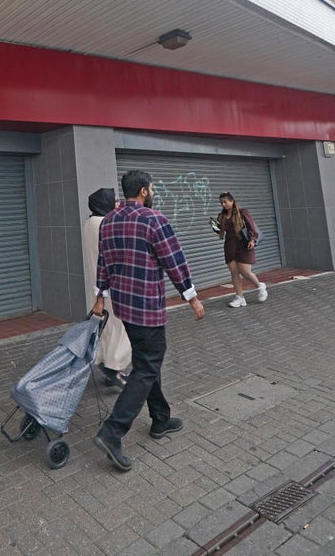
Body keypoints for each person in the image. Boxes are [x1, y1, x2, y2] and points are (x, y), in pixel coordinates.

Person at [90, 169, 205, 472]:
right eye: (151, 189)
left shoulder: (109, 221)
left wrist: (100, 296)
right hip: (147, 309)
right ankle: (112, 432)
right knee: (147, 366)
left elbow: (103, 262)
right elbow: (174, 261)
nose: (153, 193)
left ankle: (160, 419)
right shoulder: (155, 220)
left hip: (124, 308)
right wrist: (192, 297)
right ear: (143, 190)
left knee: (146, 361)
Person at [82, 188, 132, 389]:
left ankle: (108, 364)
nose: (119, 204)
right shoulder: (106, 224)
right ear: (106, 203)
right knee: (120, 326)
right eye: (115, 200)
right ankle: (114, 367)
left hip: (98, 286)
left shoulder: (90, 223)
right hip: (112, 284)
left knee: (107, 327)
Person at [212, 192, 266, 308]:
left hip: (244, 244)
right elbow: (222, 231)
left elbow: (251, 226)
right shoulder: (221, 215)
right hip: (230, 245)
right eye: (221, 203)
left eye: (225, 202)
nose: (223, 204)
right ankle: (240, 298)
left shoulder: (242, 212)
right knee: (234, 272)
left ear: (232, 201)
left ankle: (260, 286)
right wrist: (215, 228)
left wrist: (252, 240)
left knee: (245, 271)